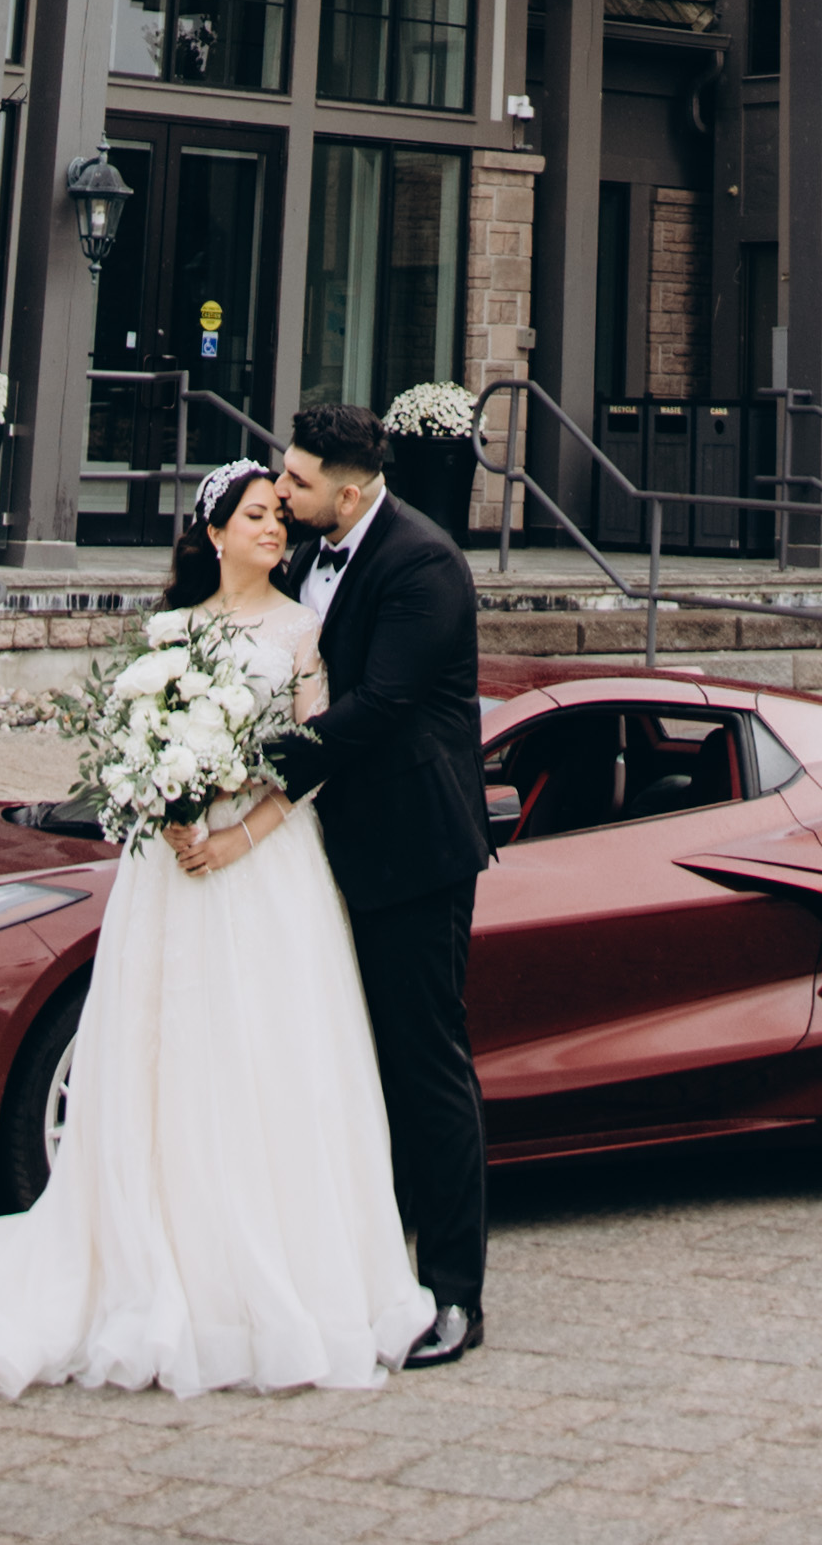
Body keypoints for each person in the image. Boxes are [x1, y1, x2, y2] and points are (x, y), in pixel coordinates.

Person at [0, 462, 434, 1403]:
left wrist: (236, 833)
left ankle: (268, 1275)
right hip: (172, 877)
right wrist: (165, 800)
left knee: (270, 1055)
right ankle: (160, 1253)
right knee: (170, 1055)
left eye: (280, 514)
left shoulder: (301, 629)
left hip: (266, 871)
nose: (275, 528)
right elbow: (136, 752)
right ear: (215, 533)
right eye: (257, 515)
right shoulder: (169, 635)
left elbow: (314, 759)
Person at [268, 395, 494, 1368]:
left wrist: (248, 764)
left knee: (424, 1066)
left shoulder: (424, 564)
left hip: (412, 853)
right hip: (319, 851)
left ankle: (454, 1293)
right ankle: (359, 1270)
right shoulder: (299, 554)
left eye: (297, 479)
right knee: (338, 1063)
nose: (280, 488)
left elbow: (382, 705)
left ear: (350, 492)